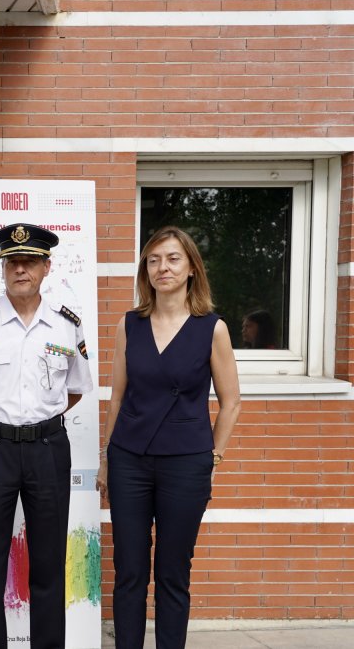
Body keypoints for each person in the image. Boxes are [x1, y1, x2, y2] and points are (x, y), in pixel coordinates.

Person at [0, 223, 93, 649]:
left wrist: (39, 419)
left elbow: (77, 389)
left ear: (47, 267)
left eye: (29, 262)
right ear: (3, 267)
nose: (20, 269)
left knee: (47, 561)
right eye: (12, 262)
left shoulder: (66, 327)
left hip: (48, 451)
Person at [97, 226, 240, 649]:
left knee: (174, 573)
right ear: (146, 268)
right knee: (129, 571)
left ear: (192, 268)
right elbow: (116, 396)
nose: (163, 267)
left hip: (186, 464)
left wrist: (211, 458)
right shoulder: (130, 324)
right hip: (129, 461)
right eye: (155, 259)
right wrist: (106, 459)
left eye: (173, 258)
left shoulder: (212, 328)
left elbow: (231, 402)